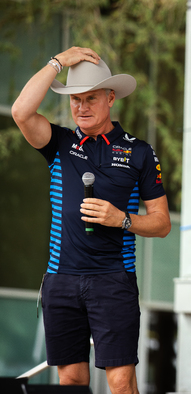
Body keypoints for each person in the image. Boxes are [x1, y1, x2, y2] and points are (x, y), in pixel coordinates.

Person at [11, 46, 171, 394]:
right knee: (70, 382)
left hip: (113, 282)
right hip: (61, 280)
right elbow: (21, 112)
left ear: (110, 98)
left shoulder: (139, 152)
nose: (81, 107)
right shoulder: (60, 143)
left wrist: (122, 219)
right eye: (75, 100)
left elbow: (161, 223)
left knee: (121, 381)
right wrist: (57, 63)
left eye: (90, 99)